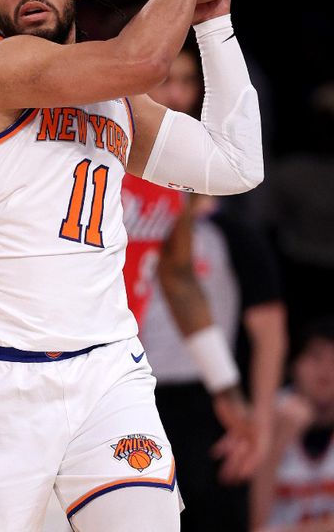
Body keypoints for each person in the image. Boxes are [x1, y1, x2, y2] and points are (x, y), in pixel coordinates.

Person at [0, 0, 264, 530]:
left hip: (106, 372)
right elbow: (144, 61)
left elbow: (236, 165)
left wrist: (213, 25)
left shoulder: (117, 104)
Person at [124, 48, 286, 531]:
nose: (176, 95)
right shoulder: (95, 156)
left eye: (186, 81)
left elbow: (177, 277)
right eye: (162, 79)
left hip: (121, 373)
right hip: (66, 362)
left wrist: (226, 390)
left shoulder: (176, 174)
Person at [251, 318, 334, 532]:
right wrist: (276, 443)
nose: (326, 370)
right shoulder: (267, 416)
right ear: (294, 364)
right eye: (316, 357)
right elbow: (254, 522)